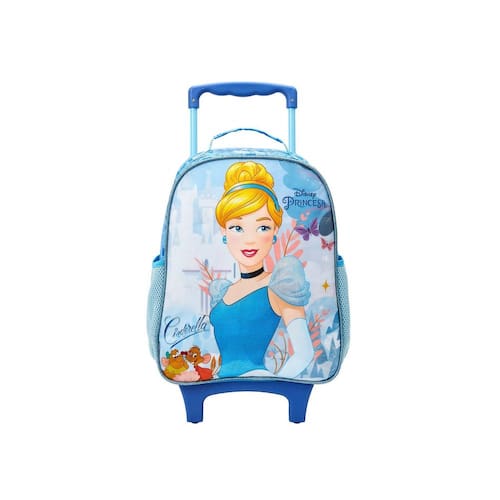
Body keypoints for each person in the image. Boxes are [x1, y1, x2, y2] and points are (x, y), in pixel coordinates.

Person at [209, 161, 314, 378]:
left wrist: (274, 381)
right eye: (237, 227)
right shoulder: (223, 291)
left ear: (275, 231)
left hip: (259, 375)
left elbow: (304, 354)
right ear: (224, 231)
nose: (250, 239)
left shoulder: (280, 285)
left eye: (262, 227)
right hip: (217, 379)